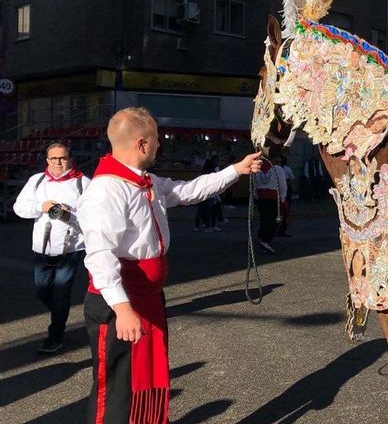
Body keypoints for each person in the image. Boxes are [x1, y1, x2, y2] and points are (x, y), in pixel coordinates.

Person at [77, 107, 261, 423]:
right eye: (156, 140)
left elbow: (187, 192)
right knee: (118, 391)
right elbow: (99, 255)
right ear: (141, 144)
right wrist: (122, 309)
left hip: (146, 298)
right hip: (120, 302)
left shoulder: (145, 180)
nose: (160, 145)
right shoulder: (106, 190)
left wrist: (235, 170)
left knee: (143, 380)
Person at [13, 142, 91, 353]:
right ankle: (60, 314)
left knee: (61, 292)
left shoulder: (84, 183)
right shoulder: (36, 181)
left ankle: (55, 335)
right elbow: (19, 208)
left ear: (70, 158)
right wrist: (43, 207)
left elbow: (92, 218)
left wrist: (67, 214)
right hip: (42, 248)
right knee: (41, 290)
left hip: (71, 249)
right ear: (47, 160)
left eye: (62, 158)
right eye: (53, 158)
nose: (58, 162)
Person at [254, 158, 288, 253]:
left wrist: (255, 196)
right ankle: (265, 240)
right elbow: (282, 185)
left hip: (261, 197)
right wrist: (283, 198)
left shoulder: (258, 168)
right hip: (273, 197)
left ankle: (262, 238)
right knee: (276, 220)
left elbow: (254, 184)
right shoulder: (278, 169)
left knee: (264, 220)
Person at [276, 156, 294, 237]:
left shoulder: (279, 169)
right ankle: (281, 229)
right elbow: (292, 178)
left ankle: (281, 229)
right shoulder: (285, 169)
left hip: (281, 190)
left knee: (283, 211)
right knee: (283, 211)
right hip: (281, 191)